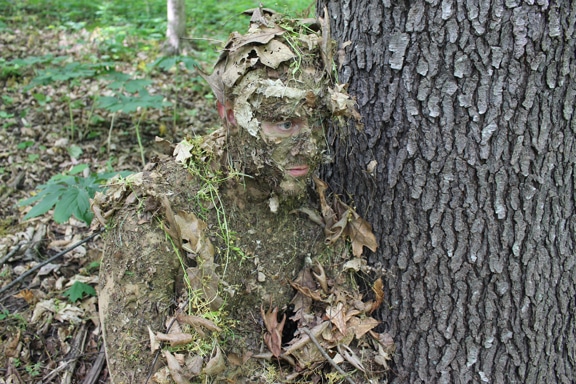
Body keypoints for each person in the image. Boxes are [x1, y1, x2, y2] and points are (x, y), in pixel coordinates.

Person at [96, 8, 383, 384]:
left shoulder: (321, 205)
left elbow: (346, 349)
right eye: (284, 123)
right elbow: (138, 367)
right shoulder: (154, 209)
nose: (310, 147)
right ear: (229, 114)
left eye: (318, 122)